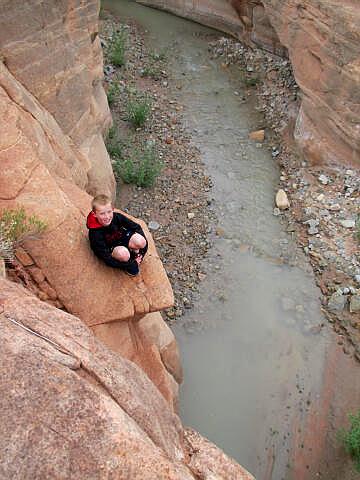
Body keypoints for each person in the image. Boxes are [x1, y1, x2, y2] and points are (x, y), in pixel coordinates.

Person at [86, 194, 148, 276]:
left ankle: (132, 251)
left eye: (109, 212)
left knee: (141, 242)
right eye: (102, 214)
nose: (107, 216)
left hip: (121, 238)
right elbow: (106, 258)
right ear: (94, 214)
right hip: (112, 248)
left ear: (112, 209)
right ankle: (129, 256)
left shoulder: (116, 217)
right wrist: (132, 264)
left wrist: (143, 252)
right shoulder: (95, 233)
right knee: (123, 255)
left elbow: (136, 227)